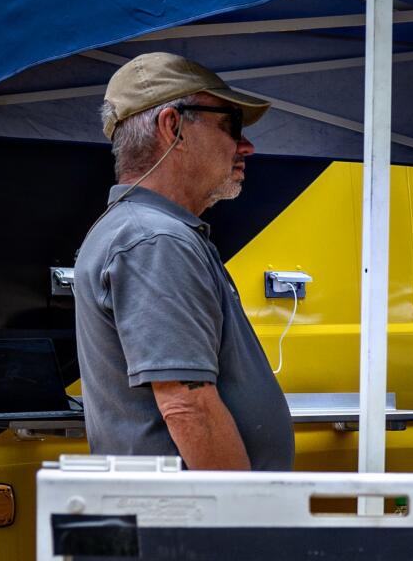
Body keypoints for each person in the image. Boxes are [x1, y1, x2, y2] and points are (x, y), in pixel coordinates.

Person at [75, 53, 293, 471]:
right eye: (230, 124)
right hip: (191, 527)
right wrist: (246, 518)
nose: (245, 145)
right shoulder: (155, 239)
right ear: (172, 126)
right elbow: (187, 406)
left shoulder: (144, 231)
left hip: (180, 522)